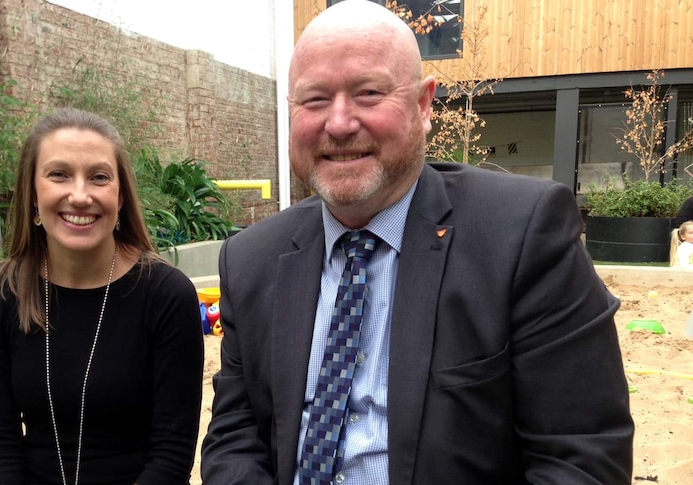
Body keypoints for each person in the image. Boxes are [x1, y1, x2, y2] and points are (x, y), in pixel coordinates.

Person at [200, 1, 634, 484]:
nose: (339, 123)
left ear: (424, 104)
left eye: (368, 93)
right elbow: (234, 439)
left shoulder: (522, 235)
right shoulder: (251, 260)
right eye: (315, 99)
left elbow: (583, 459)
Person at [0, 107, 203, 485]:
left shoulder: (167, 296)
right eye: (59, 174)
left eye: (98, 177)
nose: (79, 196)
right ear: (32, 191)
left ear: (121, 196)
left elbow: (172, 454)